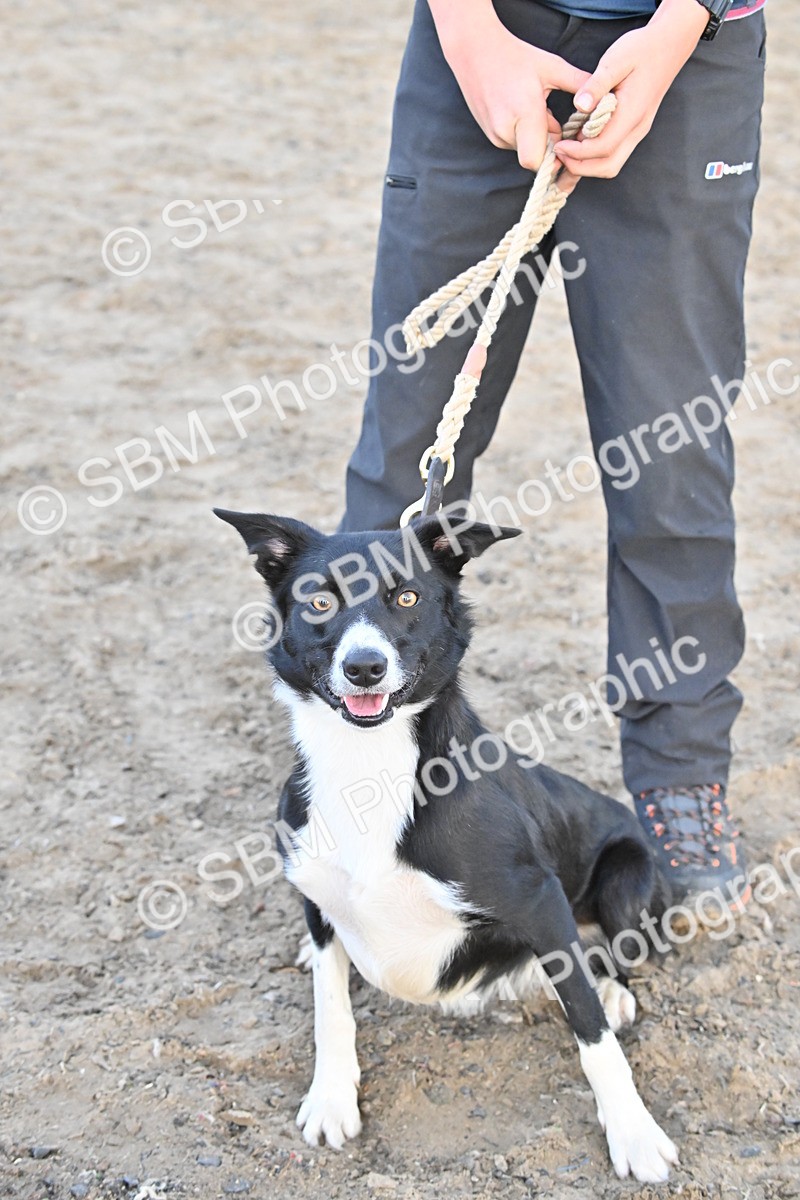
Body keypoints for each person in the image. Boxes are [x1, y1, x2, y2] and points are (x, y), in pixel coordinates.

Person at [338, 0, 767, 907]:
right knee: (412, 449)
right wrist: (469, 32)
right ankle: (361, 750)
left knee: (672, 454)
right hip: (482, 45)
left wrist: (678, 30)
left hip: (687, 61)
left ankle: (681, 771)